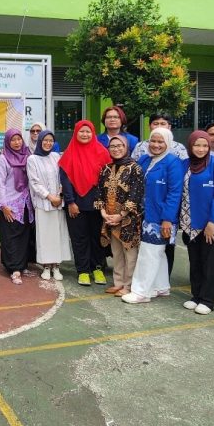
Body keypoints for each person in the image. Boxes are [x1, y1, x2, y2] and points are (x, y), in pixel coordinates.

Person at [122, 128, 182, 303]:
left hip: (160, 217)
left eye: (160, 142)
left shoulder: (173, 162)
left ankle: (141, 292)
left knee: (148, 254)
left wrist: (167, 219)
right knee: (158, 253)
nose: (156, 145)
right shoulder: (145, 159)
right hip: (145, 213)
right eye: (153, 141)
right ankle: (160, 287)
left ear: (168, 143)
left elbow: (174, 193)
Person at [179, 131, 214, 315]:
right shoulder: (185, 164)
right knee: (195, 261)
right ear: (190, 146)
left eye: (204, 146)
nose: (201, 149)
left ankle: (208, 300)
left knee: (209, 262)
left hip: (210, 224)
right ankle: (196, 296)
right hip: (189, 221)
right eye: (197, 145)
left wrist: (213, 222)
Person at [59, 120, 111, 286]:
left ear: (93, 133)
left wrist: (105, 203)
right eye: (81, 131)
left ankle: (97, 268)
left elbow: (108, 180)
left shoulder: (102, 152)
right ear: (76, 133)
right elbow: (65, 180)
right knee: (79, 238)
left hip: (97, 204)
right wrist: (70, 202)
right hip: (76, 204)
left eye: (88, 131)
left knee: (97, 237)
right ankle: (82, 270)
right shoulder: (69, 154)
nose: (85, 134)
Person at [94, 135, 144, 296]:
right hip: (109, 218)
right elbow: (99, 192)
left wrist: (121, 215)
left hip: (128, 219)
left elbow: (136, 194)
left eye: (119, 145)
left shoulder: (135, 168)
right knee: (116, 252)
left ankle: (129, 286)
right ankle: (118, 283)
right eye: (113, 146)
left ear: (126, 147)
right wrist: (103, 212)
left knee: (130, 253)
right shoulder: (106, 169)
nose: (116, 149)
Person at [26, 130, 71, 281]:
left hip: (58, 203)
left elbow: (62, 177)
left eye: (51, 141)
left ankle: (56, 266)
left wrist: (59, 195)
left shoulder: (56, 156)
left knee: (58, 235)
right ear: (40, 141)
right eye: (45, 140)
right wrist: (49, 196)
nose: (48, 143)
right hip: (43, 203)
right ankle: (46, 266)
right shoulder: (32, 159)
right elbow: (34, 182)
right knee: (45, 236)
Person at [0, 129, 34, 284]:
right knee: (11, 237)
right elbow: (1, 183)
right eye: (13, 140)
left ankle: (22, 265)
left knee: (24, 235)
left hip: (25, 202)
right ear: (8, 142)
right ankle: (14, 269)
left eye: (19, 139)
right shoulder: (3, 158)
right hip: (10, 203)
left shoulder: (28, 156)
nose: (17, 142)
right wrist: (3, 205)